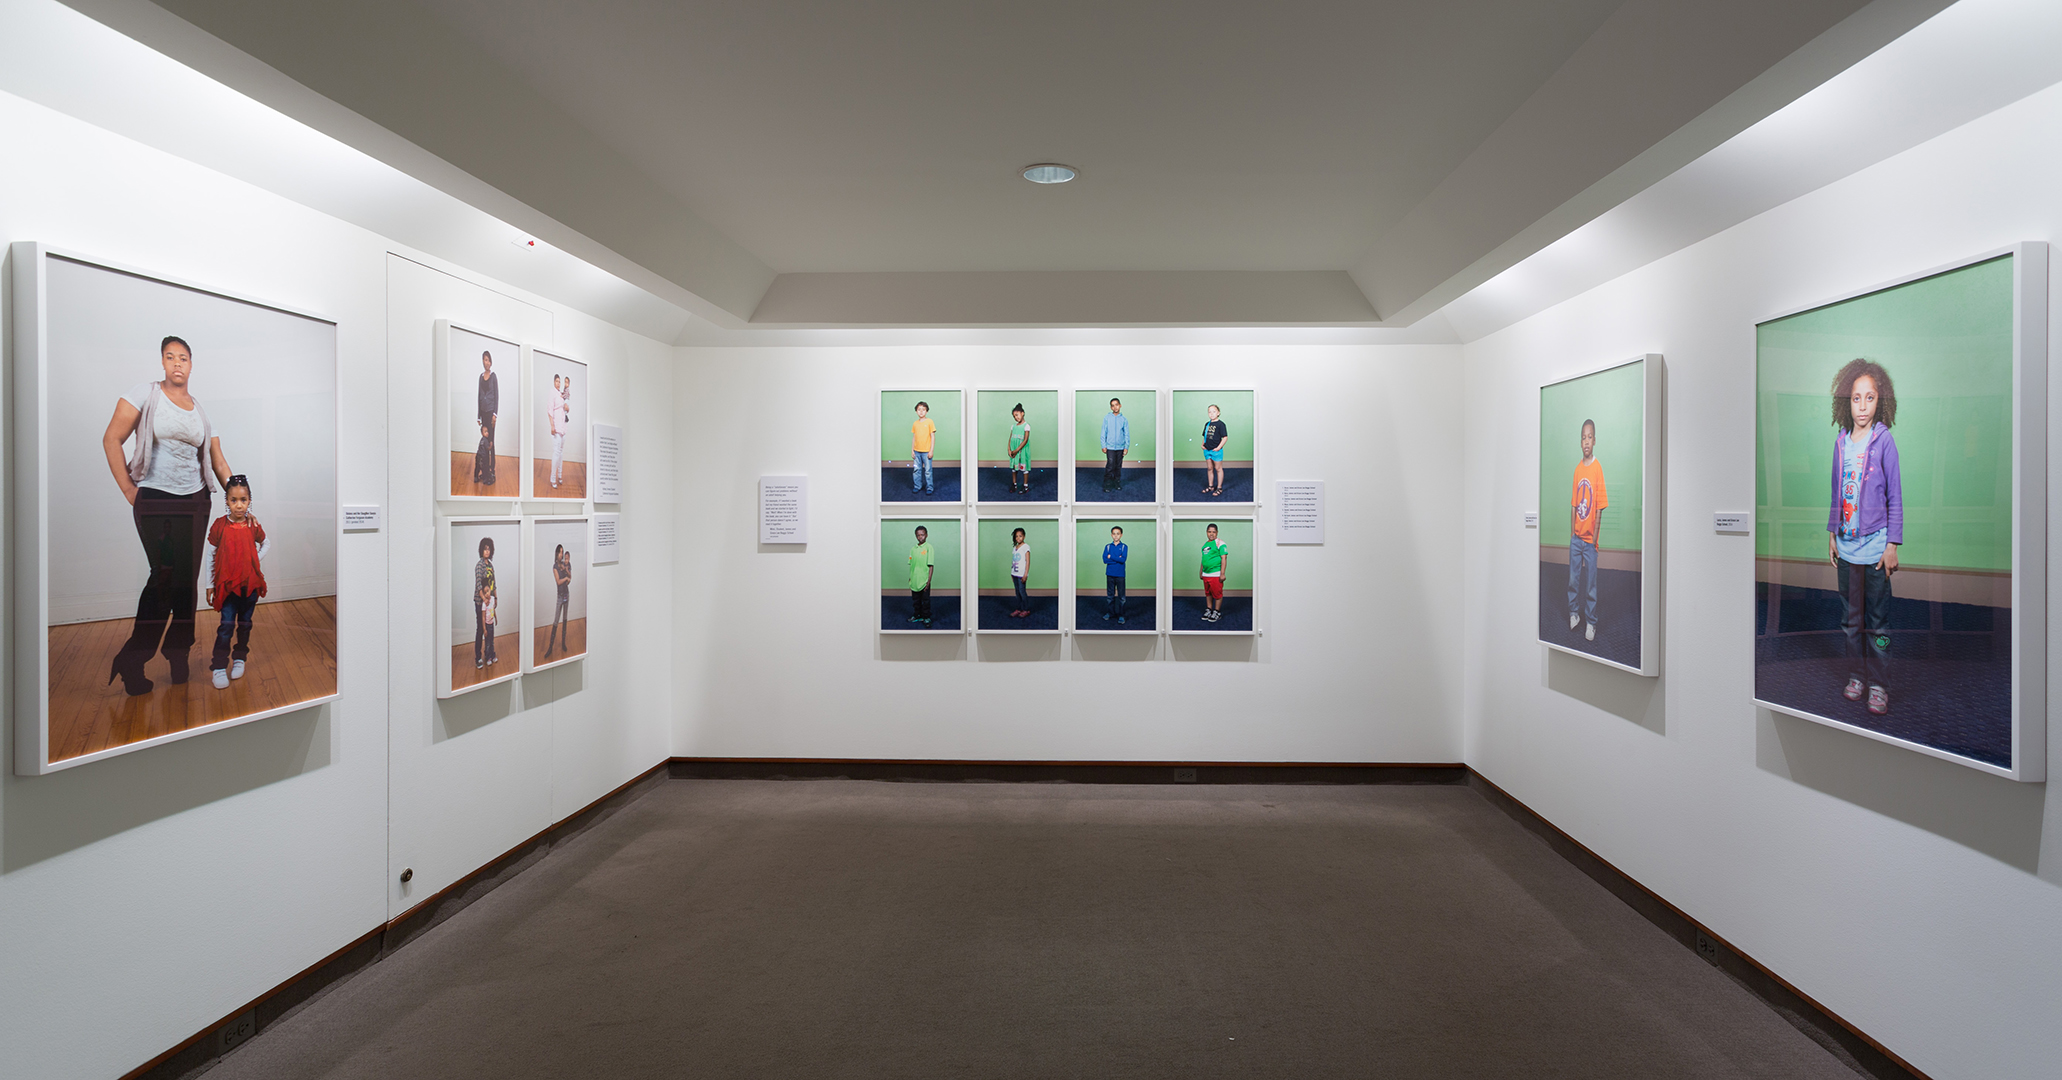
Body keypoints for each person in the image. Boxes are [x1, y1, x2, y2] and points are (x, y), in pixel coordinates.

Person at [100, 335, 237, 695]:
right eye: (171, 357)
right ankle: (133, 658)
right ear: (162, 362)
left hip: (195, 501)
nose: (177, 363)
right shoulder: (145, 394)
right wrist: (129, 489)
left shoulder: (200, 411)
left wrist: (239, 493)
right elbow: (112, 438)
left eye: (184, 358)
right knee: (164, 579)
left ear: (191, 365)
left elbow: (218, 461)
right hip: (156, 499)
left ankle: (178, 652)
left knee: (186, 582)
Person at [1827, 359, 1903, 717]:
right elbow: (1835, 492)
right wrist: (1832, 533)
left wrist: (1892, 545)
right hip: (1847, 550)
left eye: (1869, 398)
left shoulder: (1884, 441)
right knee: (1850, 621)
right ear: (1847, 401)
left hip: (1875, 552)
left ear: (1879, 401)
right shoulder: (1841, 443)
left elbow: (1895, 497)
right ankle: (1857, 675)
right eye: (1856, 398)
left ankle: (1880, 683)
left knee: (1878, 623)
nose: (1862, 406)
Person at [202, 475, 268, 689]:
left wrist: (253, 560)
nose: (239, 505)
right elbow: (210, 555)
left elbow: (266, 543)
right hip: (228, 587)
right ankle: (219, 666)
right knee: (226, 626)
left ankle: (240, 658)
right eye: (234, 500)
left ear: (249, 501)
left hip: (249, 586)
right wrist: (209, 584)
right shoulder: (219, 526)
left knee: (245, 624)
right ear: (227, 501)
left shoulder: (253, 525)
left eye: (243, 500)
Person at [1568, 419, 1607, 643]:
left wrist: (1594, 539)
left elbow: (1599, 507)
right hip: (1576, 539)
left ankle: (1591, 621)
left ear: (1595, 441)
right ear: (1580, 441)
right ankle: (1574, 612)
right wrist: (1571, 535)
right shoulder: (1577, 470)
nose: (1586, 441)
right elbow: (1574, 505)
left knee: (1591, 584)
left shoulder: (1597, 469)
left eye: (1590, 437)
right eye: (1583, 437)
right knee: (1573, 580)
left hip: (1590, 541)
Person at [474, 349, 500, 486]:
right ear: (483, 362)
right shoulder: (480, 377)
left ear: (491, 362)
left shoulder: (493, 377)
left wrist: (495, 414)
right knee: (484, 443)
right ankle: (485, 470)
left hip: (490, 413)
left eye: (488, 360)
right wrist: (478, 415)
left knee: (491, 442)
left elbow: (496, 395)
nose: (487, 362)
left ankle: (492, 470)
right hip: (483, 413)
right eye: (485, 360)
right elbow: (479, 396)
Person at [474, 536, 498, 669]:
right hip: (480, 603)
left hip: (490, 602)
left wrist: (495, 599)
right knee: (480, 629)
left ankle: (489, 653)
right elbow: (478, 585)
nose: (487, 551)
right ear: (481, 550)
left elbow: (494, 584)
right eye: (485, 549)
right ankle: (478, 657)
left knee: (490, 629)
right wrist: (485, 600)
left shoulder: (490, 565)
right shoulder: (479, 566)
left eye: (489, 549)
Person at [1199, 523, 1230, 622]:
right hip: (1206, 574)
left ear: (1217, 532)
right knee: (1208, 593)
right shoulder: (1205, 545)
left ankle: (1217, 611)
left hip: (1216, 574)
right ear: (1206, 532)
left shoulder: (1220, 543)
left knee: (1217, 594)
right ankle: (1209, 609)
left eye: (1213, 532)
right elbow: (1204, 559)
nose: (1211, 534)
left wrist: (1222, 573)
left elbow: (1224, 558)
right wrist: (1201, 571)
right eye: (1209, 532)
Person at [546, 544, 572, 655]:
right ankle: (550, 647)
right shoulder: (555, 566)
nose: (561, 554)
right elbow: (558, 581)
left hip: (566, 594)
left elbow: (570, 578)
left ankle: (563, 643)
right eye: (560, 552)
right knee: (556, 620)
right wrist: (566, 578)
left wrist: (568, 576)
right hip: (560, 596)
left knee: (565, 619)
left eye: (562, 552)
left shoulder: (565, 564)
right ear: (556, 553)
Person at [1100, 398, 1130, 493]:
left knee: (1118, 466)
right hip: (1110, 447)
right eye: (1113, 405)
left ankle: (1117, 481)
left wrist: (1126, 447)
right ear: (1111, 407)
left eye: (1116, 405)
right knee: (1110, 465)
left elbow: (1126, 434)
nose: (1115, 407)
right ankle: (1107, 483)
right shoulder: (1107, 418)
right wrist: (1103, 445)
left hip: (1120, 447)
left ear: (1120, 405)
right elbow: (1103, 432)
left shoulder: (1124, 419)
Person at [908, 526, 936, 626]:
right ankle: (917, 615)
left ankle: (926, 617)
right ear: (916, 536)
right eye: (918, 535)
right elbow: (912, 565)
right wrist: (910, 578)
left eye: (922, 535)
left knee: (925, 600)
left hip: (924, 580)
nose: (920, 537)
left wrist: (928, 581)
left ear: (926, 535)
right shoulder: (913, 549)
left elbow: (931, 566)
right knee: (916, 600)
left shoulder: (929, 548)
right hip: (914, 580)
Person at [1200, 403, 1229, 496]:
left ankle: (1219, 487)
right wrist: (1203, 444)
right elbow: (1205, 436)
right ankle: (1211, 486)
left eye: (1214, 411)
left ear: (1218, 413)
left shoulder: (1221, 424)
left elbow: (1225, 437)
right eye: (1209, 412)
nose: (1211, 414)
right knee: (1209, 468)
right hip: (1207, 450)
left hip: (1216, 450)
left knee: (1218, 468)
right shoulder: (1207, 424)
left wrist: (1218, 448)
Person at [1102, 526, 1128, 623]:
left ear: (1121, 535)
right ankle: (1110, 613)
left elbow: (1123, 560)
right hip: (1110, 574)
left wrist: (1111, 557)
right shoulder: (1108, 547)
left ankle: (1121, 615)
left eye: (1118, 534)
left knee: (1122, 597)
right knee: (1110, 596)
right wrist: (1117, 558)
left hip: (1120, 575)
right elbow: (1105, 560)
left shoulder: (1124, 547)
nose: (1116, 536)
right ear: (1111, 535)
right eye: (1114, 533)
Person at [910, 401, 936, 496]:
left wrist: (931, 450)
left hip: (926, 452)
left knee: (928, 471)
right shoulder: (915, 423)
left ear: (926, 411)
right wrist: (912, 450)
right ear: (916, 411)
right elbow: (914, 437)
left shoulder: (930, 422)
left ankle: (929, 487)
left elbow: (932, 437)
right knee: (916, 470)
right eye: (919, 410)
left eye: (923, 410)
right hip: (917, 451)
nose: (921, 412)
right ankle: (917, 486)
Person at [548, 373, 568, 489]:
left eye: (560, 381)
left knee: (561, 452)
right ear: (553, 382)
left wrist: (567, 407)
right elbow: (549, 409)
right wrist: (552, 425)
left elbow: (566, 409)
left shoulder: (561, 394)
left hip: (563, 425)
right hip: (556, 425)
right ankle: (553, 478)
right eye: (556, 381)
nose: (558, 383)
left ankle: (560, 475)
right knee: (556, 452)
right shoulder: (552, 393)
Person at [1007, 403, 1032, 494]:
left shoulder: (1026, 426)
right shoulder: (1013, 426)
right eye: (1014, 416)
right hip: (1014, 450)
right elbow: (1010, 438)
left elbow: (1025, 440)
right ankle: (1014, 484)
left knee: (1024, 468)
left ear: (1022, 413)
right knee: (1014, 468)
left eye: (1017, 415)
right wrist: (1009, 449)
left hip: (1022, 451)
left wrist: (1016, 450)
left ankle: (1025, 486)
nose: (1016, 417)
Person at [1009, 527, 1031, 618]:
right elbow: (1014, 561)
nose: (1018, 538)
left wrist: (1025, 574)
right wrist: (1012, 573)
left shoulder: (1026, 547)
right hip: (1015, 573)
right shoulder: (1015, 548)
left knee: (1022, 592)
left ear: (1024, 536)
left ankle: (1026, 609)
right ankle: (1019, 609)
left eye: (1020, 536)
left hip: (1021, 574)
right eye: (1016, 536)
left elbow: (1027, 561)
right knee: (1017, 592)